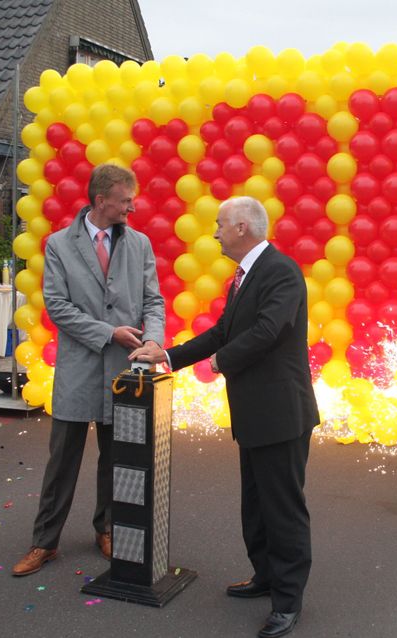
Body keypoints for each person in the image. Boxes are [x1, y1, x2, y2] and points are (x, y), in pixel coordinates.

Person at [130, 196, 319, 638]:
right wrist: (169, 356)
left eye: (219, 225)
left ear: (241, 227)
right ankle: (265, 576)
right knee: (255, 504)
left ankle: (288, 601)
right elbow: (222, 331)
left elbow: (269, 331)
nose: (214, 233)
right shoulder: (244, 277)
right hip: (255, 414)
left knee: (283, 509)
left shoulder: (281, 271)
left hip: (281, 414)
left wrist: (219, 363)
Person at [12, 164, 165, 576]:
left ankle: (108, 529)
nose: (132, 206)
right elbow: (58, 308)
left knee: (117, 458)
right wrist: (107, 333)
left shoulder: (141, 244)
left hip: (125, 371)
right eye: (125, 200)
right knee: (62, 461)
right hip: (78, 373)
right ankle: (44, 542)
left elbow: (154, 301)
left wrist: (153, 339)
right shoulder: (60, 245)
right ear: (101, 201)